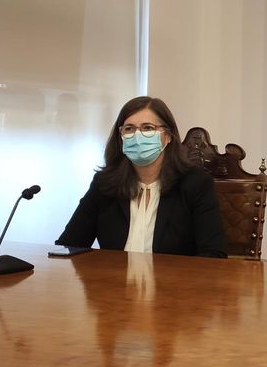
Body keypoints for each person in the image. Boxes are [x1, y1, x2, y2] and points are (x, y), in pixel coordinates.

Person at [56, 96, 227, 258]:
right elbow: (69, 244)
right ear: (121, 136)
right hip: (112, 284)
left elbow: (213, 254)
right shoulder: (104, 183)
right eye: (129, 129)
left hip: (175, 286)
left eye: (147, 128)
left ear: (167, 136)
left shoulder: (195, 183)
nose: (137, 136)